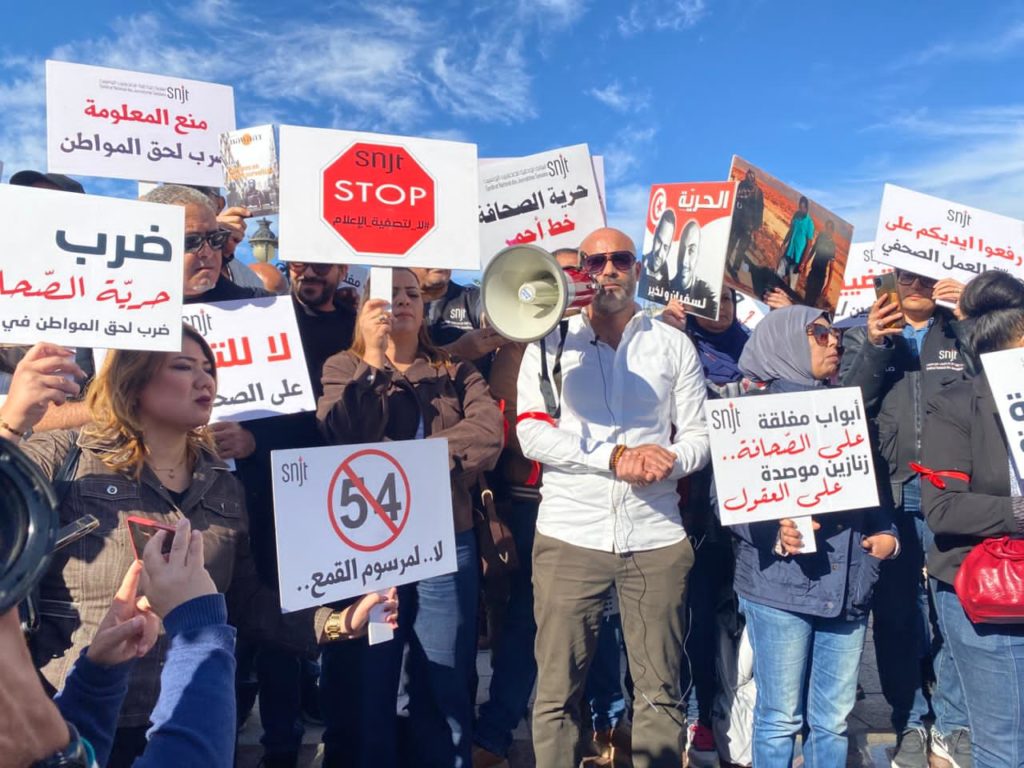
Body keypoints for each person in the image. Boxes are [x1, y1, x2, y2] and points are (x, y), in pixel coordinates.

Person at [0, 333, 385, 767]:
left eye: (209, 369)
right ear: (134, 379)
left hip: (188, 714)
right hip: (69, 715)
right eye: (183, 366)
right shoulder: (66, 455)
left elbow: (244, 600)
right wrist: (10, 426)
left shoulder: (223, 484)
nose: (205, 380)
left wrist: (336, 623)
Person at [517, 227, 710, 768]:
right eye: (594, 261)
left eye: (619, 260)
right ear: (580, 271)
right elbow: (531, 432)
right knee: (557, 690)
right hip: (570, 534)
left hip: (655, 533)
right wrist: (615, 457)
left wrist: (668, 459)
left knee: (659, 689)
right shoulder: (549, 342)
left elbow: (699, 435)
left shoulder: (672, 344)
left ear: (637, 269)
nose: (607, 271)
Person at [317, 267, 503, 768]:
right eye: (387, 293)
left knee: (444, 674)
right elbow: (343, 437)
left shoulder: (455, 369)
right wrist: (373, 363)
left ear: (423, 307)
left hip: (447, 538)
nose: (400, 301)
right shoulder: (342, 366)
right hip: (371, 550)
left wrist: (404, 464)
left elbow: (488, 434)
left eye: (411, 294)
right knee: (372, 676)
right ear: (363, 307)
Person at [733, 306, 897, 767]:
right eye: (819, 333)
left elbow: (873, 485)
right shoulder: (748, 413)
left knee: (833, 720)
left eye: (834, 333)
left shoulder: (846, 407)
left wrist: (887, 534)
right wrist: (773, 530)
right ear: (784, 342)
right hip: (779, 590)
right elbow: (724, 501)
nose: (834, 341)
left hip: (848, 587)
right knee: (779, 718)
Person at [839, 268, 972, 767]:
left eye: (924, 275)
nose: (915, 285)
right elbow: (848, 402)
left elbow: (998, 381)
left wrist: (971, 321)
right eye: (905, 276)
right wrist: (876, 343)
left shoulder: (961, 328)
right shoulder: (864, 332)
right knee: (896, 616)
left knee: (955, 611)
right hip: (888, 494)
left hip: (954, 493)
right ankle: (909, 720)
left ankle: (953, 724)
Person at [234, 258, 357, 767]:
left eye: (321, 265)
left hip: (345, 491)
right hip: (269, 489)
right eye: (299, 263)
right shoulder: (264, 320)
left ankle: (345, 734)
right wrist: (252, 444)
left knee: (349, 618)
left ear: (342, 269)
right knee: (281, 623)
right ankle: (280, 746)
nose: (308, 272)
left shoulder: (356, 324)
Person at [473, 248, 582, 768]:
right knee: (520, 619)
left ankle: (593, 723)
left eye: (572, 274)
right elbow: (504, 422)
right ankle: (497, 730)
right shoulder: (515, 345)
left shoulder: (604, 337)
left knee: (581, 622)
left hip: (584, 500)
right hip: (527, 501)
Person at [919, 271, 1024, 768]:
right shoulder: (955, 403)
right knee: (1005, 746)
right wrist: (1018, 512)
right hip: (988, 594)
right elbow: (942, 509)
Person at [669, 220, 718, 319]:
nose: (685, 261)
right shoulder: (665, 287)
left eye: (691, 250)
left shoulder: (709, 295)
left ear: (698, 255)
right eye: (682, 250)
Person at [725, 169, 763, 279]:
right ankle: (725, 260)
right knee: (731, 242)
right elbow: (734, 200)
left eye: (751, 178)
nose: (750, 180)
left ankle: (735, 269)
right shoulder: (741, 186)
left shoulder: (757, 192)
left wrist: (756, 227)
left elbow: (760, 210)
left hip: (748, 226)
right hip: (737, 222)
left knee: (741, 249)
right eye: (748, 178)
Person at [777, 196, 814, 291]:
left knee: (791, 286)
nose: (802, 210)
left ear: (807, 208)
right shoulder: (796, 216)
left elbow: (809, 244)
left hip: (798, 259)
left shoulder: (809, 223)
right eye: (800, 207)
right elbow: (791, 231)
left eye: (803, 208)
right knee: (778, 275)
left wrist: (803, 262)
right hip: (788, 252)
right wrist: (784, 243)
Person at [801, 219, 837, 309]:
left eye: (829, 228)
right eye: (826, 227)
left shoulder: (832, 246)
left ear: (832, 231)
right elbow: (812, 251)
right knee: (806, 298)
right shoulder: (820, 237)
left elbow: (831, 267)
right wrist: (804, 263)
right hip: (812, 273)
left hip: (820, 278)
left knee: (812, 303)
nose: (827, 230)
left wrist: (827, 286)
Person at [641, 209, 674, 299]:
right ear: (654, 236)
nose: (660, 253)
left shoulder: (670, 285)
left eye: (665, 247)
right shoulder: (637, 268)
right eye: (659, 241)